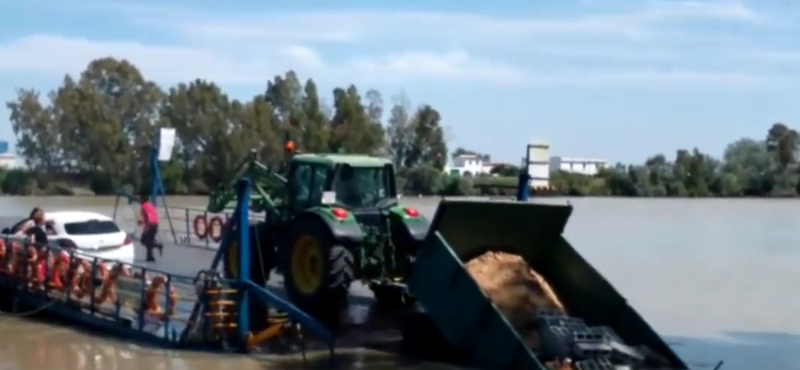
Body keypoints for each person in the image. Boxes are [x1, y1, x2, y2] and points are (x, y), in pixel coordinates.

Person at [138, 194, 163, 262]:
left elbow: (147, 216)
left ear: (142, 200)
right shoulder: (151, 205)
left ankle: (158, 245)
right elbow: (154, 214)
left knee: (143, 240)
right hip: (155, 224)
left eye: (140, 199)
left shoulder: (143, 206)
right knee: (149, 240)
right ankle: (150, 257)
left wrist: (145, 225)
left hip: (150, 224)